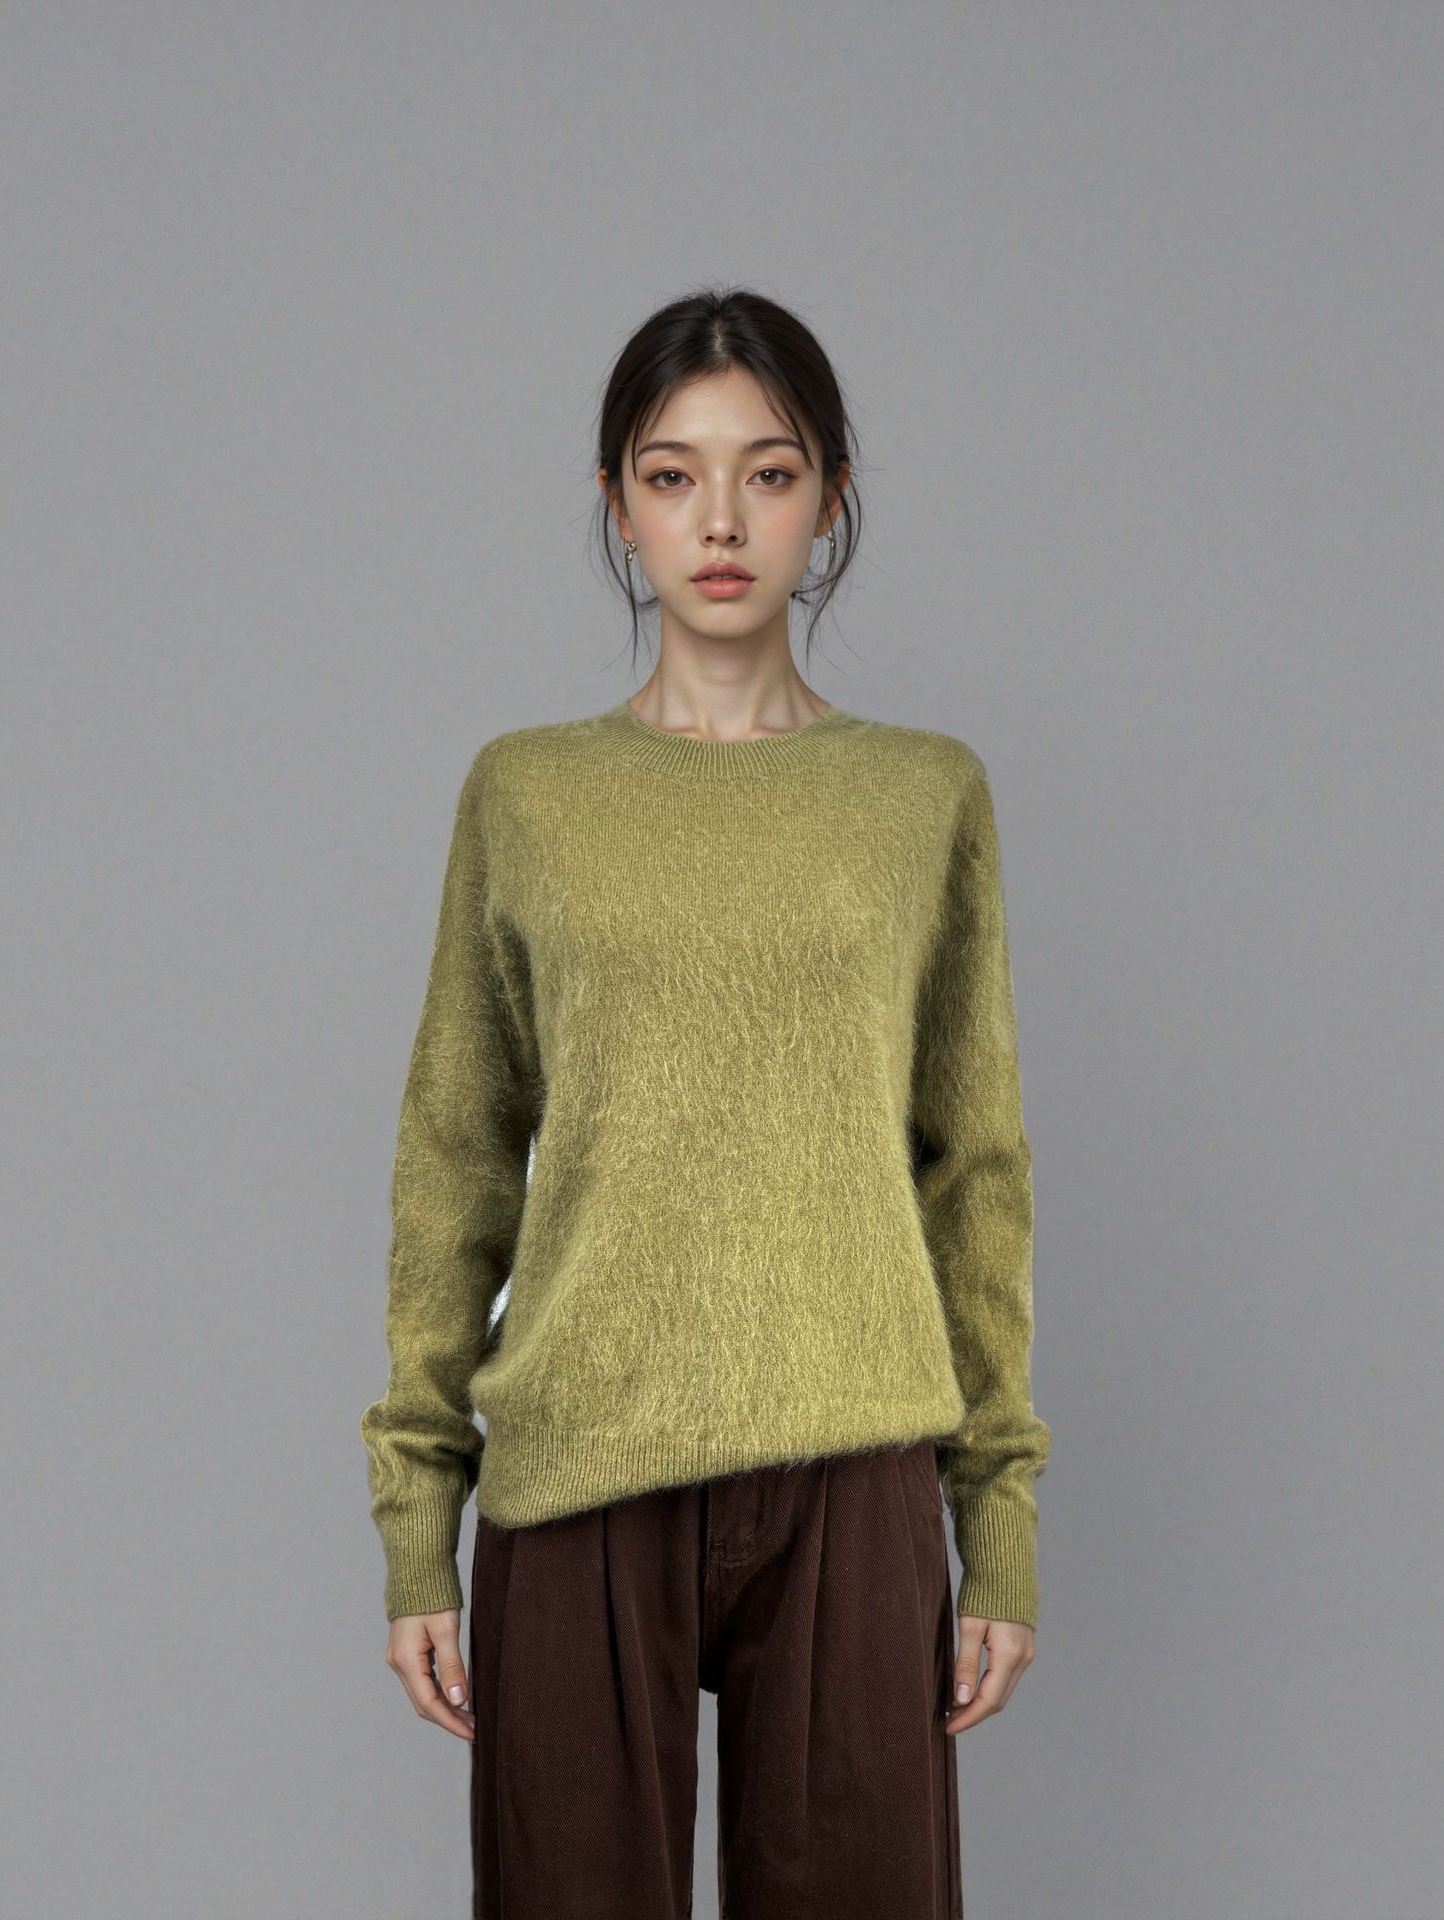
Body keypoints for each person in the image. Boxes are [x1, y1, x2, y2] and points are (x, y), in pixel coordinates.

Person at [359, 283, 1051, 1919]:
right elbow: (456, 1155)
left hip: (854, 1455)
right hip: (579, 1464)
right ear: (617, 504)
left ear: (831, 497)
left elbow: (975, 1168)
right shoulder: (528, 791)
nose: (721, 522)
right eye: (672, 476)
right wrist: (416, 1515)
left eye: (770, 472)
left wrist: (999, 1518)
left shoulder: (922, 794)